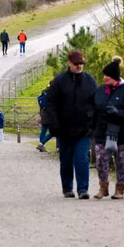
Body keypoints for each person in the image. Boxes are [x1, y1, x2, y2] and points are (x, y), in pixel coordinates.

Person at [43, 49, 97, 199]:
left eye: (81, 63)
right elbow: (51, 104)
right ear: (69, 63)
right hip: (63, 129)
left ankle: (83, 189)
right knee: (66, 160)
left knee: (81, 158)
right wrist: (54, 125)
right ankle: (67, 187)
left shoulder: (90, 81)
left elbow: (96, 103)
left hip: (84, 129)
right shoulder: (59, 82)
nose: (79, 66)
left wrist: (94, 124)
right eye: (76, 63)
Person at [92, 56, 124, 200]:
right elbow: (94, 109)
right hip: (102, 132)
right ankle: (103, 187)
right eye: (104, 75)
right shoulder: (100, 91)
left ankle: (120, 189)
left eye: (108, 76)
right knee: (101, 160)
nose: (105, 78)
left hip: (122, 133)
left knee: (122, 162)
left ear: (115, 77)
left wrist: (118, 113)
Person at [36, 82, 53, 152]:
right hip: (50, 113)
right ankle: (41, 144)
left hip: (43, 112)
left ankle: (41, 147)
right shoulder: (53, 92)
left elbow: (40, 101)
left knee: (43, 130)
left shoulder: (44, 91)